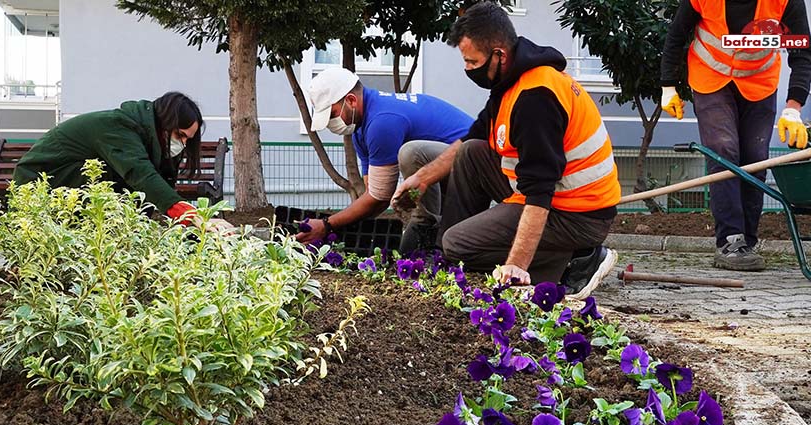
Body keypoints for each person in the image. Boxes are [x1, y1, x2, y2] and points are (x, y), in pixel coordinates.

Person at [392, 1, 620, 299]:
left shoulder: (535, 98)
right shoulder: (510, 84)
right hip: (553, 198)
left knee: (458, 243)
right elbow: (471, 139)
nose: (468, 70)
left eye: (472, 62)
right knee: (472, 152)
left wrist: (516, 265)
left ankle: (576, 260)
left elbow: (540, 190)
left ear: (498, 54)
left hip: (577, 217)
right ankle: (448, 256)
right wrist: (421, 179)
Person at [660, 0, 811, 271]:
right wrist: (667, 85)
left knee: (756, 158)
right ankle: (730, 241)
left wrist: (793, 108)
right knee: (723, 149)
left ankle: (747, 242)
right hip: (711, 79)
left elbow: (802, 51)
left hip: (759, 82)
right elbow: (677, 34)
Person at [297, 67, 474, 254]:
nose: (330, 124)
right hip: (450, 169)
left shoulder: (382, 122)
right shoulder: (360, 130)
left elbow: (379, 198)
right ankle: (432, 231)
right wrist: (341, 231)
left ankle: (426, 226)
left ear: (351, 100)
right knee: (408, 250)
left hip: (476, 162)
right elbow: (371, 192)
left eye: (332, 115)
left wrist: (327, 224)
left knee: (411, 153)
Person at [14, 92, 231, 230]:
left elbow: (157, 190)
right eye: (180, 135)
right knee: (119, 177)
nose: (183, 144)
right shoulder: (117, 127)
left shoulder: (151, 141)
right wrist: (194, 217)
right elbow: (140, 174)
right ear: (164, 123)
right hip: (41, 183)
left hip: (71, 182)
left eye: (188, 140)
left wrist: (196, 229)